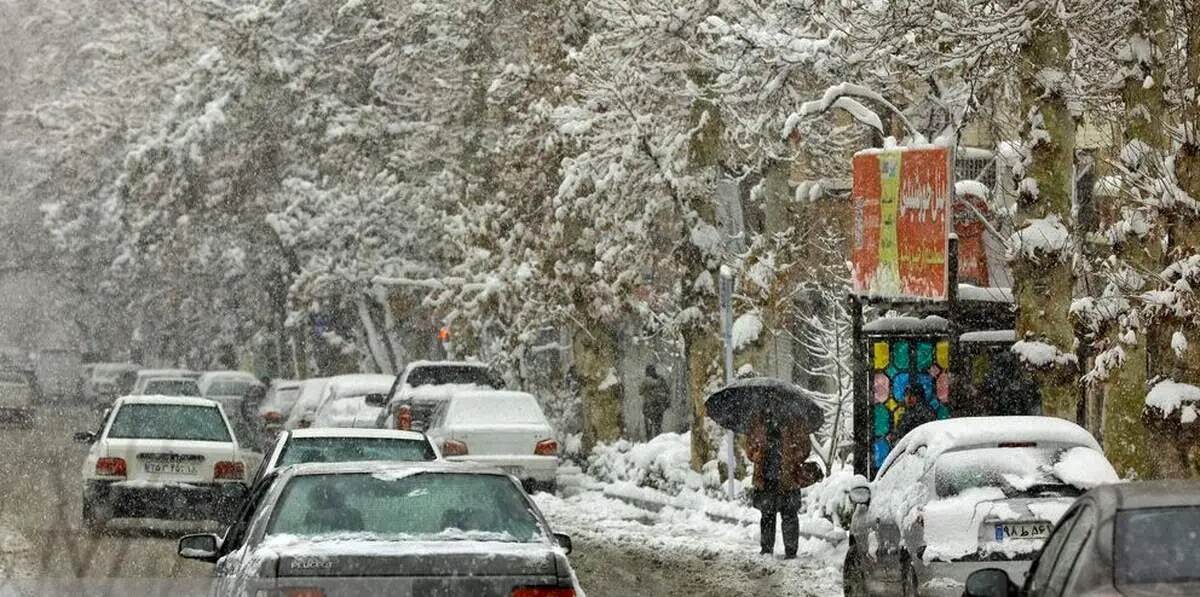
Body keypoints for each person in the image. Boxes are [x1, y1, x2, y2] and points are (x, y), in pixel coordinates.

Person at [746, 413, 815, 559]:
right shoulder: (758, 422)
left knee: (789, 515)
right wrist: (756, 453)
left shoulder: (795, 420)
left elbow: (805, 448)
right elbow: (750, 450)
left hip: (788, 477)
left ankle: (790, 552)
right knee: (767, 515)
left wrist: (794, 453)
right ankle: (766, 550)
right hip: (766, 478)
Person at [639, 365, 671, 439]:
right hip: (653, 407)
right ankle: (653, 443)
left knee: (654, 428)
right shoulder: (658, 379)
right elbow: (640, 392)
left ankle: (654, 444)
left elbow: (640, 391)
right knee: (654, 428)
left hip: (653, 407)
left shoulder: (657, 380)